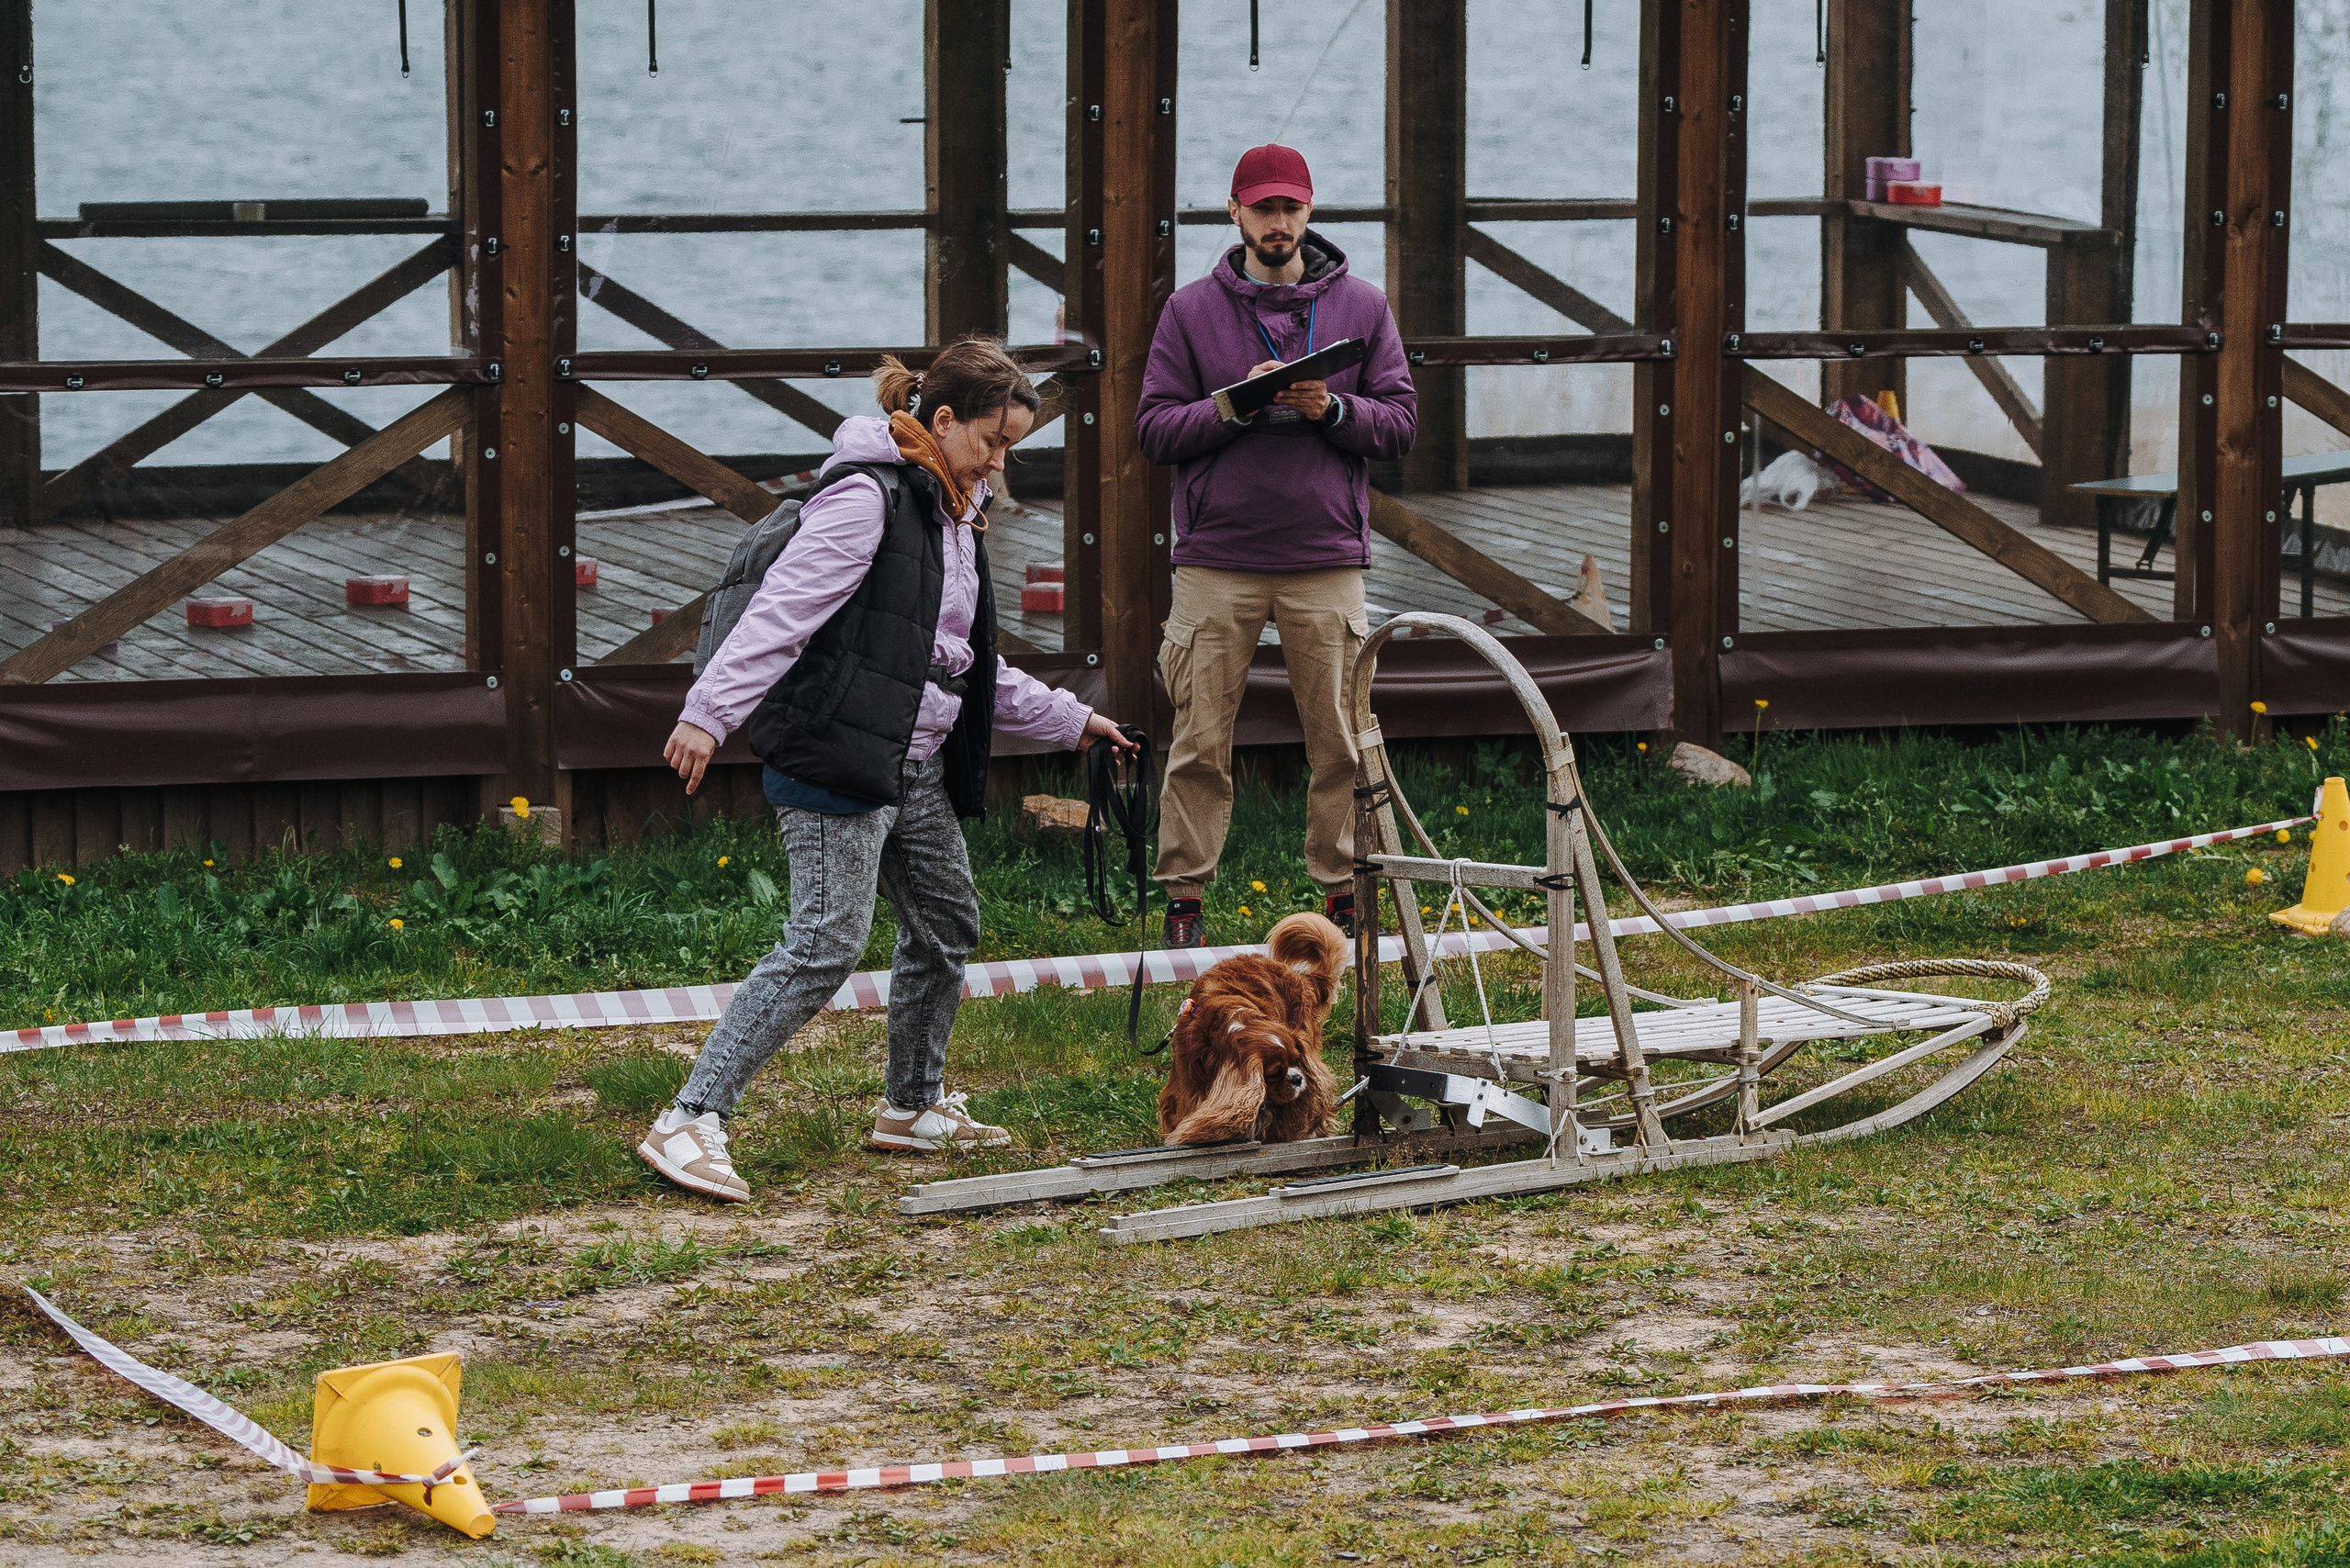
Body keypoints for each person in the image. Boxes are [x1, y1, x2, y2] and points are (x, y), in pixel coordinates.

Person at [641, 337, 1137, 1203]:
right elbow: (781, 613)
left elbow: (960, 661)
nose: (1000, 461)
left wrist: (1073, 721)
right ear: (941, 420)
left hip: (910, 761)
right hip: (838, 753)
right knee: (824, 943)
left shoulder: (953, 509)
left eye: (1012, 446)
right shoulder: (865, 500)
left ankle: (911, 1105)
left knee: (946, 920)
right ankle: (689, 1118)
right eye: (993, 440)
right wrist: (707, 714)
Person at [1136, 143, 1417, 949]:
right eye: (1263, 208)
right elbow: (1153, 430)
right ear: (1235, 213)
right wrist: (1236, 406)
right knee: (1198, 740)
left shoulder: (1364, 306)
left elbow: (1401, 424)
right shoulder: (1189, 311)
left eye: (1291, 207)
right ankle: (1184, 900)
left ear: (1310, 210)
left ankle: (1346, 893)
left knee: (1341, 740)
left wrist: (1332, 409)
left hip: (1326, 559)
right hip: (1215, 559)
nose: (1278, 222)